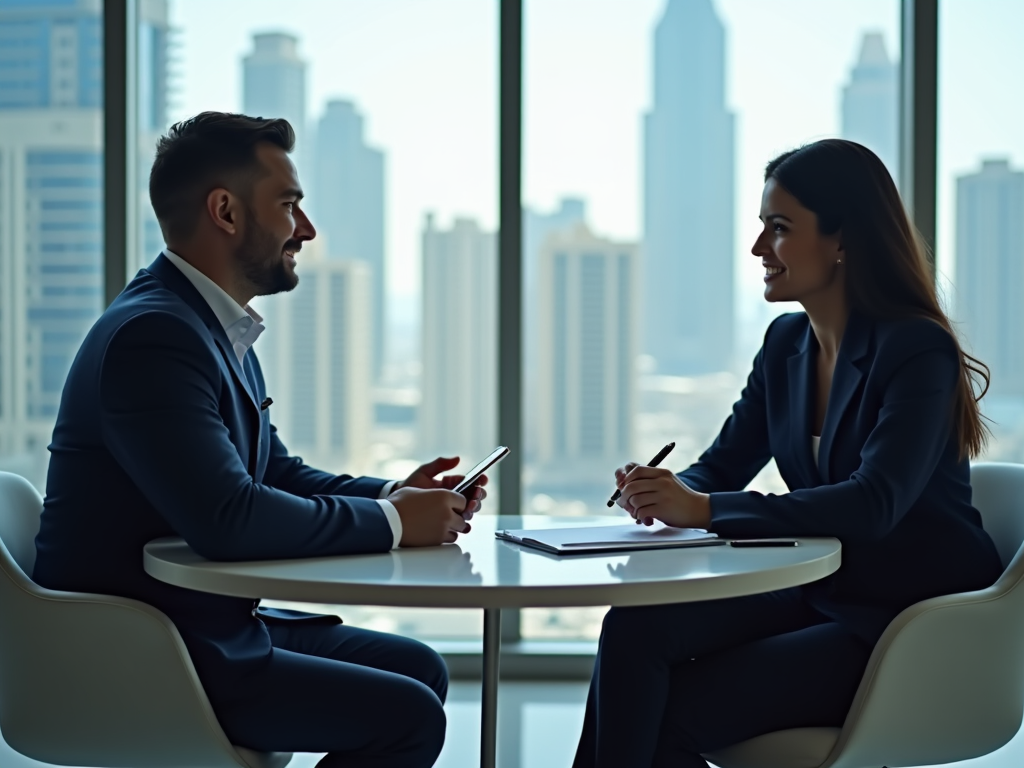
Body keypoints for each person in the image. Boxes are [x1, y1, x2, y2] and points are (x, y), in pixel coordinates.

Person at [33, 112, 485, 768]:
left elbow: (272, 472)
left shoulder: (212, 327)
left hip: (196, 627)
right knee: (407, 715)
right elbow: (230, 520)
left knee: (418, 668)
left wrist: (395, 494)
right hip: (143, 653)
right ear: (225, 211)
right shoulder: (154, 338)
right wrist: (391, 523)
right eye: (289, 205)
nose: (306, 229)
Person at [572, 139, 1003, 768]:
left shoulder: (916, 350)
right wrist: (664, 491)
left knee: (673, 708)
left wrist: (703, 508)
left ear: (842, 241)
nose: (757, 250)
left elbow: (873, 503)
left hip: (908, 624)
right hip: (820, 590)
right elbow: (720, 468)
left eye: (779, 229)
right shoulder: (786, 343)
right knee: (635, 629)